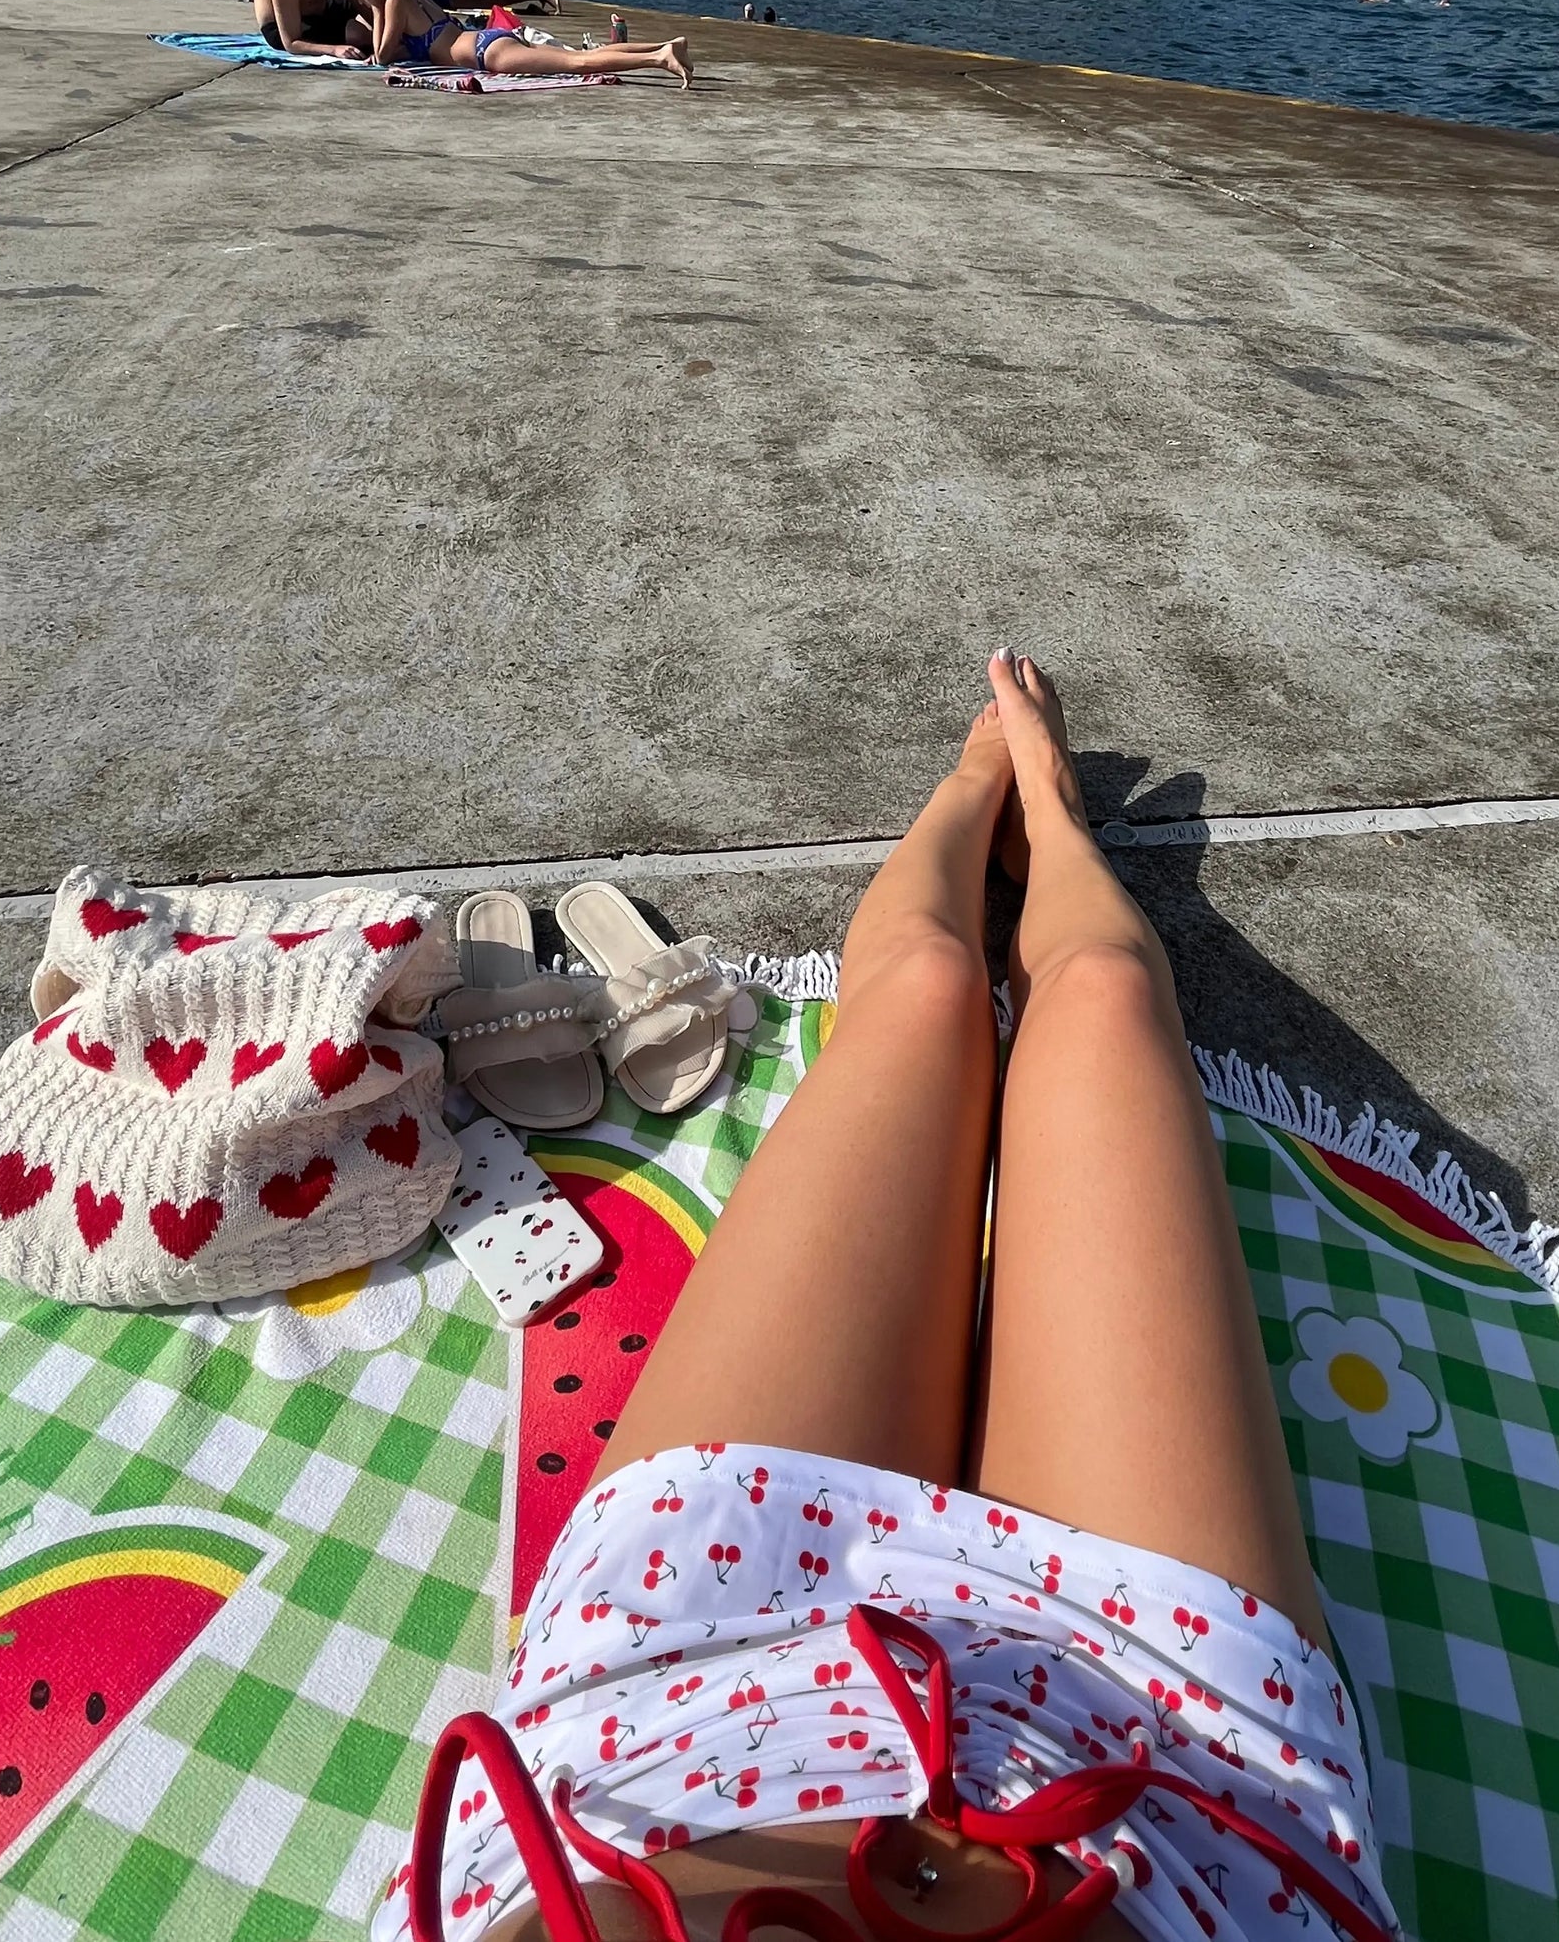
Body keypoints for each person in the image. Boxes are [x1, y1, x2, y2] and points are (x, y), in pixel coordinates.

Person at [388, 654, 1392, 1942]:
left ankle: (985, 787)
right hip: (1177, 1761)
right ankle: (1039, 812)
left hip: (677, 1688)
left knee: (923, 995)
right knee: (1099, 996)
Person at [346, 0, 691, 88]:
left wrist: (374, 5)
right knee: (577, 55)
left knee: (577, 62)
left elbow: (382, 55)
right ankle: (667, 45)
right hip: (485, 40)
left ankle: (659, 58)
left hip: (485, 53)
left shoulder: (392, 0)